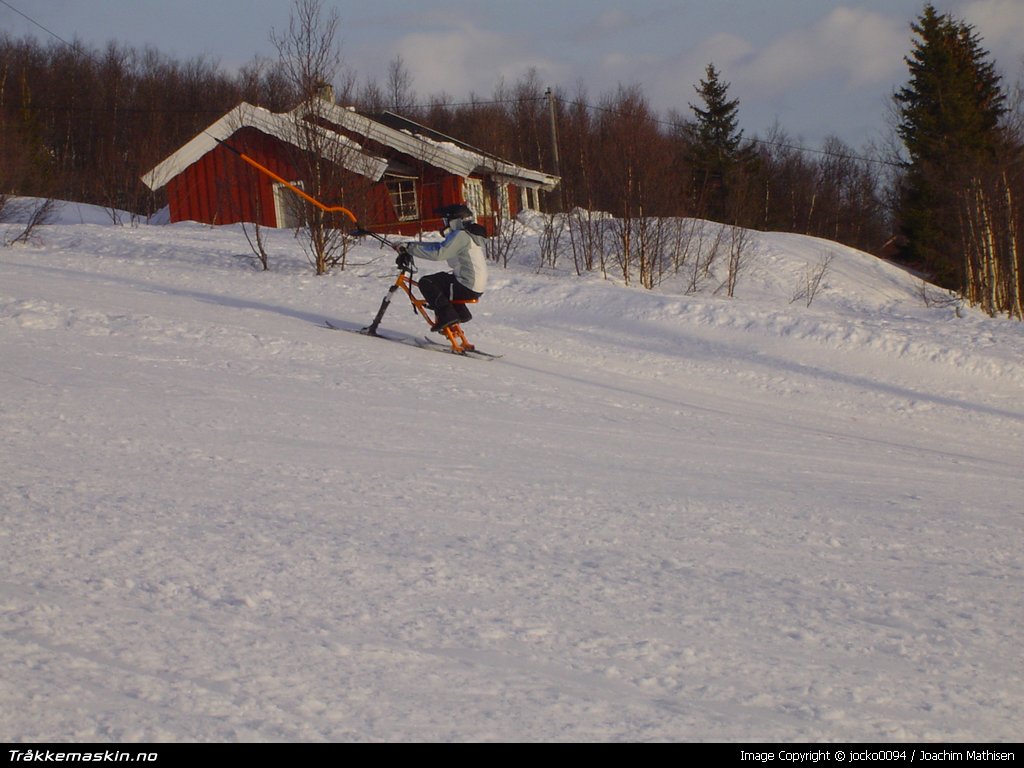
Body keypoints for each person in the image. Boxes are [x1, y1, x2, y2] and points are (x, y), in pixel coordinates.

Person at [398, 204, 488, 332]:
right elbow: (438, 246)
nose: (444, 224)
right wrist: (410, 246)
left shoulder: (461, 235)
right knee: (443, 282)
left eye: (446, 221)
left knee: (427, 282)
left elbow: (439, 253)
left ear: (456, 221)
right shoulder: (469, 235)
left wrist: (409, 249)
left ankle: (447, 316)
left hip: (466, 284)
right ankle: (460, 313)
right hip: (473, 285)